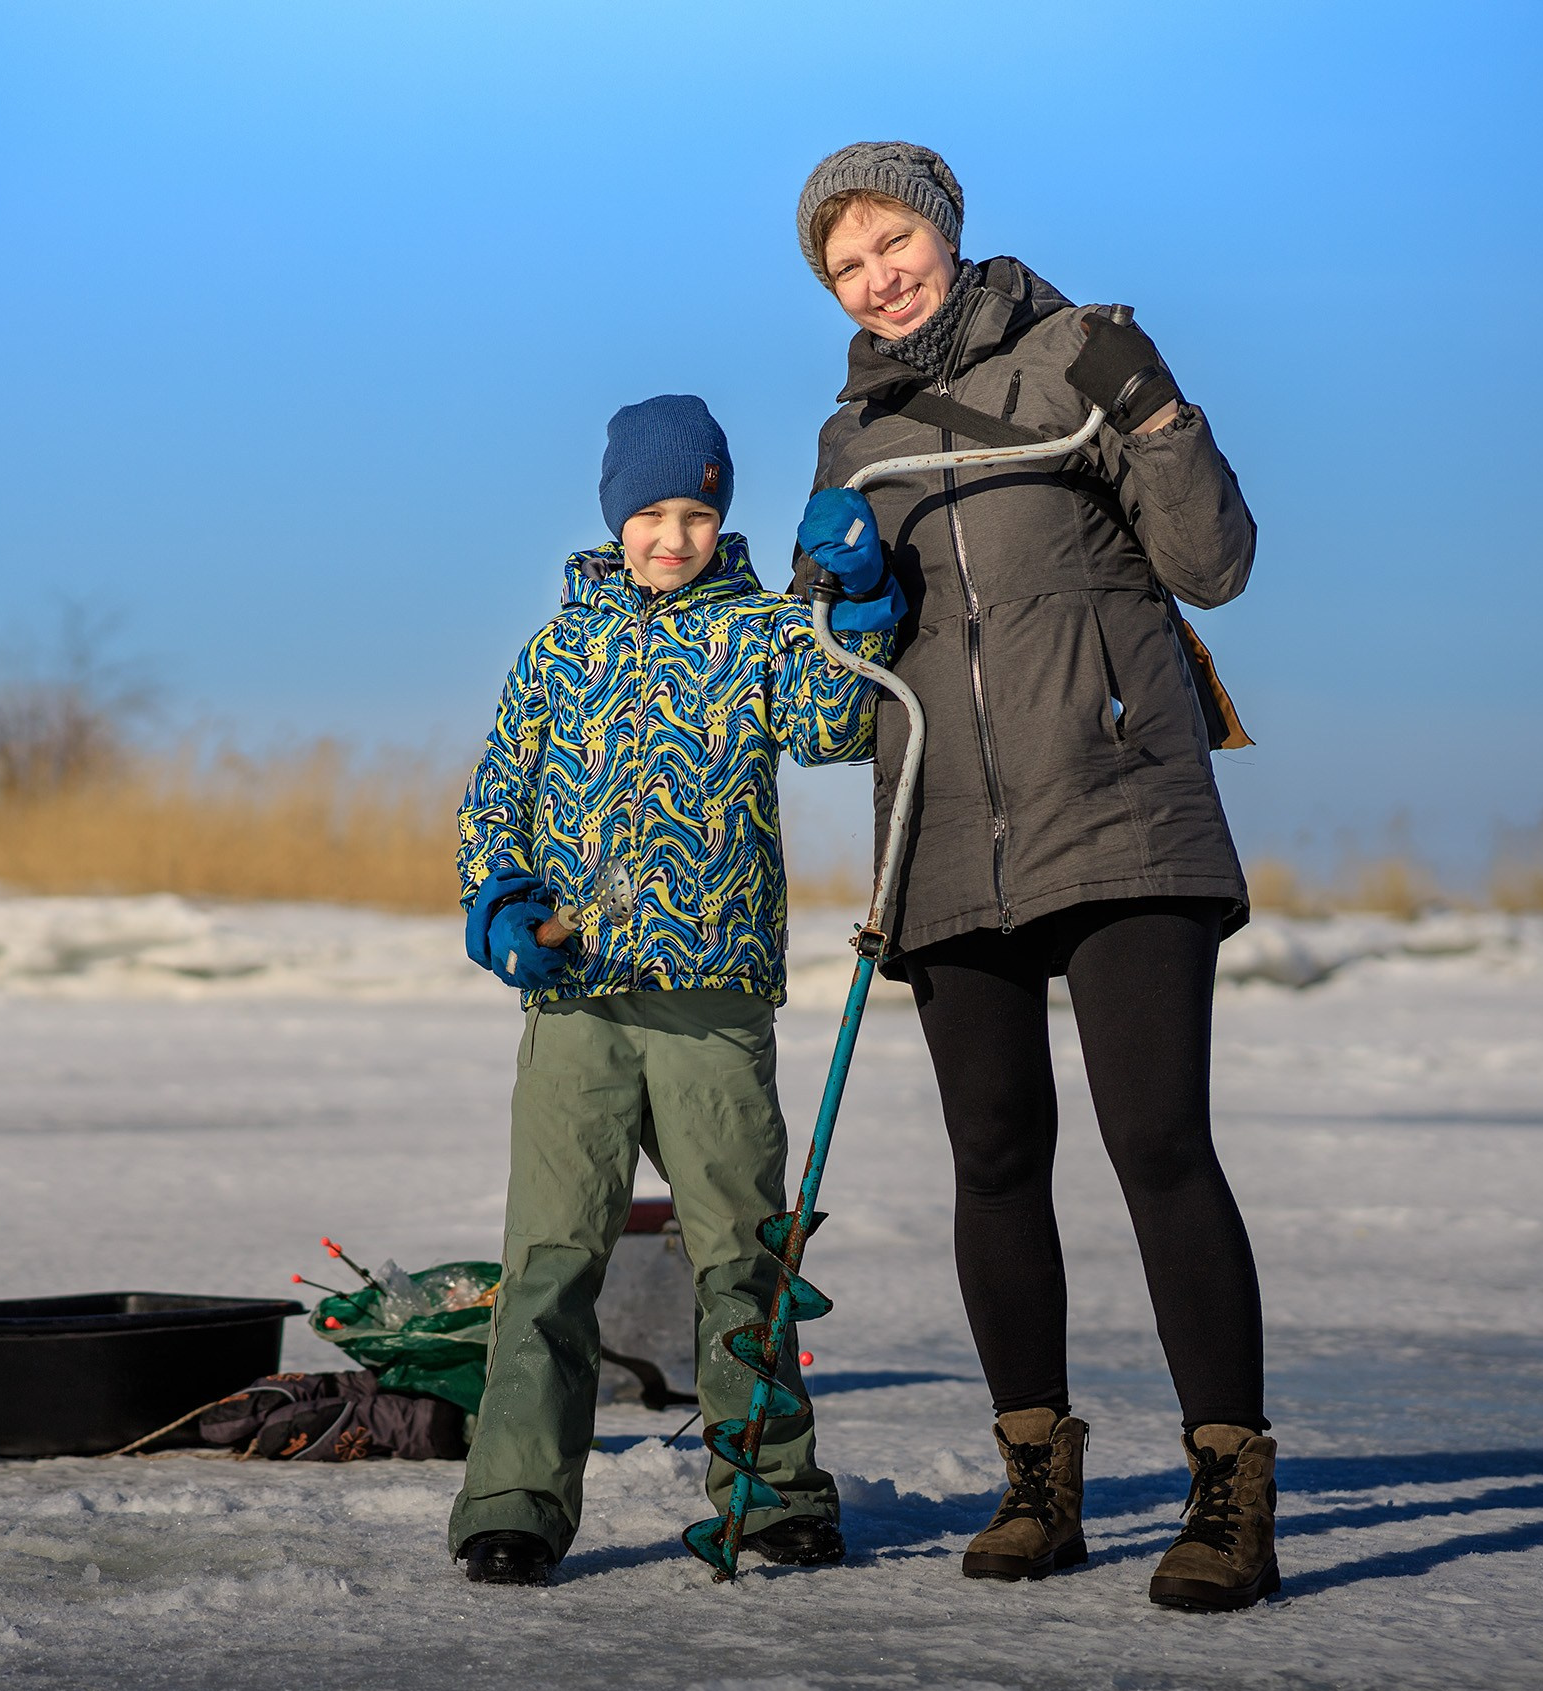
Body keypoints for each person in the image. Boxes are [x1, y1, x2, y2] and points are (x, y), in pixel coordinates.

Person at [785, 140, 1279, 1612]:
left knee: (1157, 1140)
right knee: (994, 1157)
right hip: (944, 831)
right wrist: (841, 604)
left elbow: (1215, 562)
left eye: (892, 244)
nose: (879, 279)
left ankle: (1229, 1485)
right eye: (846, 265)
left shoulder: (1081, 354)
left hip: (1121, 803)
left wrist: (1164, 417)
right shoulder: (849, 439)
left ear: (944, 230)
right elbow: (834, 700)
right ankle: (1036, 1478)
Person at [446, 393, 902, 1585]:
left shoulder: (758, 627)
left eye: (695, 512)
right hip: (576, 1004)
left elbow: (835, 724)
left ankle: (773, 1495)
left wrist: (851, 600)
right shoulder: (557, 650)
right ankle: (512, 1500)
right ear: (614, 516)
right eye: (649, 512)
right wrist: (498, 910)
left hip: (712, 999)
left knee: (741, 1256)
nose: (671, 535)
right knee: (548, 1260)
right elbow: (494, 802)